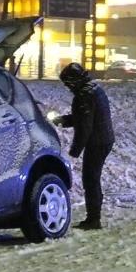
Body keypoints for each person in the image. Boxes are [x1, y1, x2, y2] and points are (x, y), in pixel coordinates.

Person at [55, 62, 115, 230]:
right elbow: (83, 118)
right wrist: (64, 120)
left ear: (74, 81)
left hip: (97, 142)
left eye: (67, 83)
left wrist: (74, 151)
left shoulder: (83, 96)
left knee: (91, 180)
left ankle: (93, 219)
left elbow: (85, 127)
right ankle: (94, 217)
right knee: (93, 179)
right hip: (104, 139)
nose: (67, 87)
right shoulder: (93, 89)